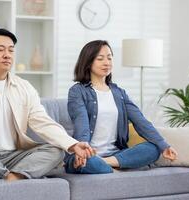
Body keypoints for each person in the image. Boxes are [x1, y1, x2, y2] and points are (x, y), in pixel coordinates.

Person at [0, 28, 95, 182]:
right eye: (0, 50)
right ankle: (12, 178)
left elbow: (42, 121)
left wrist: (73, 145)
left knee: (56, 151)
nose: (7, 55)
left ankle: (2, 178)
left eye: (11, 50)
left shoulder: (24, 87)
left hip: (13, 156)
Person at [64, 40, 177, 174]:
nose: (107, 63)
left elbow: (141, 122)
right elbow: (81, 124)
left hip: (115, 154)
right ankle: (114, 167)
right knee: (88, 162)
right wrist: (83, 152)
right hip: (85, 155)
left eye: (109, 58)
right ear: (88, 62)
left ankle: (106, 165)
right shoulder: (77, 91)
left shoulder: (119, 93)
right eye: (100, 59)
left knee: (153, 149)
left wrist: (164, 146)